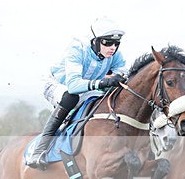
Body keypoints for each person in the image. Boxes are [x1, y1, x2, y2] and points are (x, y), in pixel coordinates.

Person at [26, 16, 129, 169]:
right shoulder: (77, 48)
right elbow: (73, 85)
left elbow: (122, 76)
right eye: (107, 43)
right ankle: (39, 149)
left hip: (87, 89)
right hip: (57, 85)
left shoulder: (115, 55)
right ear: (95, 41)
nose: (112, 47)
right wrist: (102, 82)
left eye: (116, 43)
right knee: (70, 98)